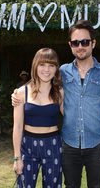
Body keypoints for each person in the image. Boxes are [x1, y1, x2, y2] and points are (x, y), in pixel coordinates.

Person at [12, 20, 100, 188]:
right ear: (70, 45)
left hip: (97, 143)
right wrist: (18, 94)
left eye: (85, 42)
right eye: (76, 42)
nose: (80, 46)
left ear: (93, 43)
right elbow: (41, 83)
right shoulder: (62, 72)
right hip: (68, 144)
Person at [12, 48, 63, 188]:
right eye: (42, 64)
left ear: (56, 69)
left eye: (51, 65)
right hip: (27, 146)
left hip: (53, 144)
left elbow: (72, 117)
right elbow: (17, 127)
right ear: (35, 66)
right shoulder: (22, 92)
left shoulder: (60, 92)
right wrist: (17, 158)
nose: (46, 69)